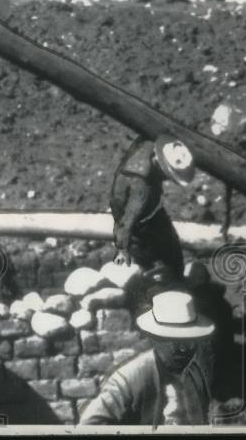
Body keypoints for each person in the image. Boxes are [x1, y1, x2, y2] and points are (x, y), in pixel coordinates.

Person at [79, 290, 214, 426]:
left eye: (188, 340)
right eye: (170, 340)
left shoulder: (194, 372)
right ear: (154, 339)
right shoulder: (130, 377)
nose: (182, 349)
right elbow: (88, 426)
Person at [109, 135, 193, 307]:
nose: (168, 179)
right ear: (161, 166)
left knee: (170, 260)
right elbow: (128, 220)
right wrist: (122, 248)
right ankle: (162, 303)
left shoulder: (144, 148)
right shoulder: (142, 190)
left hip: (151, 218)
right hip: (144, 233)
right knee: (166, 270)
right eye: (168, 175)